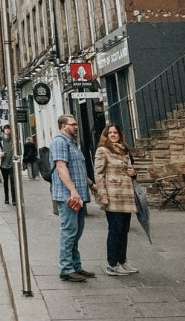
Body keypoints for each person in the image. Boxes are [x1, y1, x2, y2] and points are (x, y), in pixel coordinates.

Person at [50, 114, 95, 283]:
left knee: (76, 232)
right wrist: (73, 191)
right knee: (69, 232)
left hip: (79, 195)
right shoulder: (59, 142)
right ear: (63, 126)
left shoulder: (72, 143)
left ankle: (76, 266)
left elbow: (78, 170)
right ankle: (66, 269)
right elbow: (61, 168)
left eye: (76, 124)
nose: (76, 126)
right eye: (73, 124)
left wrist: (91, 185)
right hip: (68, 196)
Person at [92, 123, 139, 276]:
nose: (113, 135)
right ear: (106, 135)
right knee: (115, 230)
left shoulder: (124, 151)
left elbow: (129, 170)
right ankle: (112, 264)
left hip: (126, 195)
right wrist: (102, 195)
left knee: (124, 230)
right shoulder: (102, 151)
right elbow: (98, 174)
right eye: (110, 133)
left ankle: (122, 261)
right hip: (112, 196)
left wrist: (133, 173)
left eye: (115, 132)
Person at [0, 125, 15, 203]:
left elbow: (16, 152)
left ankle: (14, 199)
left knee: (13, 182)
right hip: (3, 165)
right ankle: (6, 198)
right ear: (3, 130)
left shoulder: (13, 140)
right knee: (5, 182)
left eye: (9, 129)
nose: (7, 130)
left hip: (12, 164)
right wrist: (1, 154)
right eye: (6, 129)